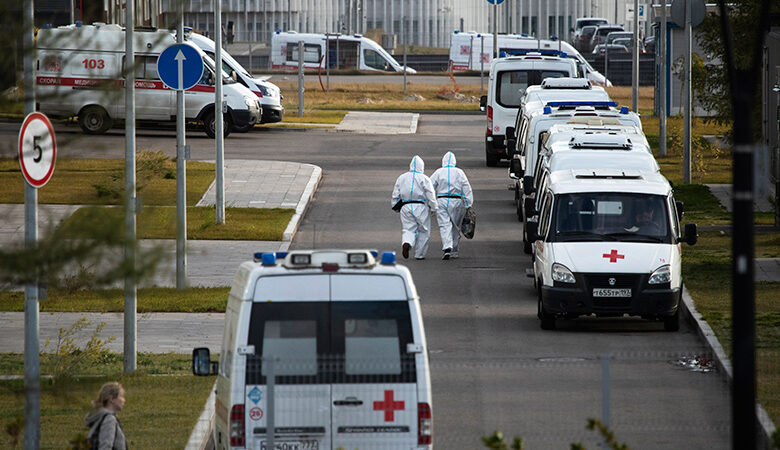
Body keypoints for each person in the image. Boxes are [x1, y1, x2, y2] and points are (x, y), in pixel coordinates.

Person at [391, 155, 438, 260]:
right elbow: (430, 193)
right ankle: (420, 254)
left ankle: (407, 242)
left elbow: (395, 193)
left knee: (408, 228)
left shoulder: (401, 177)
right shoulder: (424, 178)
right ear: (422, 166)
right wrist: (434, 207)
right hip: (420, 206)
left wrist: (395, 205)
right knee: (424, 230)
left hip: (405, 206)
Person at [430, 151, 474, 260]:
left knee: (444, 225)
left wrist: (430, 202)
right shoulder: (460, 172)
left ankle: (447, 247)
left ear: (443, 161)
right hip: (456, 201)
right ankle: (454, 250)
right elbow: (466, 188)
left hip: (441, 200)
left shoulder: (438, 172)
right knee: (456, 227)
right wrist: (468, 204)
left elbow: (430, 186)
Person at [85, 381, 128, 450]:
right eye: (121, 396)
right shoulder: (109, 419)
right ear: (111, 399)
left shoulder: (101, 417)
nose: (124, 400)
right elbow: (106, 446)